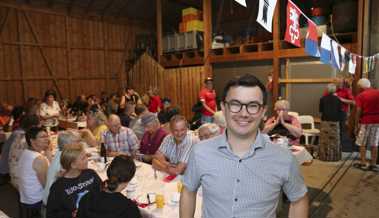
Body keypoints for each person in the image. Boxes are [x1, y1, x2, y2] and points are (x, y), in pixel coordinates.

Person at [180, 74, 308, 218]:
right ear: (223, 107)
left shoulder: (284, 158)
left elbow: (298, 200)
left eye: (253, 106)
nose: (243, 113)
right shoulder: (200, 152)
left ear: (263, 111)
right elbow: (188, 191)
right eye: (235, 104)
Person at [46, 143, 102, 218]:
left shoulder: (90, 174)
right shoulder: (58, 187)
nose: (87, 160)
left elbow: (102, 193)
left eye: (86, 156)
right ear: (73, 165)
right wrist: (70, 215)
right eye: (83, 158)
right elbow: (51, 214)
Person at [17, 126, 51, 218]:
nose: (47, 139)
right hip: (36, 201)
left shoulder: (26, 152)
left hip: (25, 198)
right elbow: (47, 184)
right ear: (32, 141)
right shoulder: (39, 159)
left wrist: (47, 150)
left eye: (47, 136)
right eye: (42, 137)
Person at [43, 131, 82, 205]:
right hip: (54, 202)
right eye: (77, 142)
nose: (80, 144)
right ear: (67, 145)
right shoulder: (66, 160)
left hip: (50, 196)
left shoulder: (60, 153)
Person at [8, 115, 40, 189]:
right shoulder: (26, 141)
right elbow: (38, 155)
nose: (40, 125)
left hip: (13, 173)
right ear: (33, 126)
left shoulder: (19, 135)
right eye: (38, 123)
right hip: (20, 179)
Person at [354, 78, 379, 172]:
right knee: (375, 143)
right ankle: (373, 164)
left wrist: (356, 124)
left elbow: (358, 111)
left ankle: (363, 163)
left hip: (366, 120)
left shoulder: (361, 96)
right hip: (377, 121)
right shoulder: (378, 92)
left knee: (362, 142)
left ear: (360, 87)